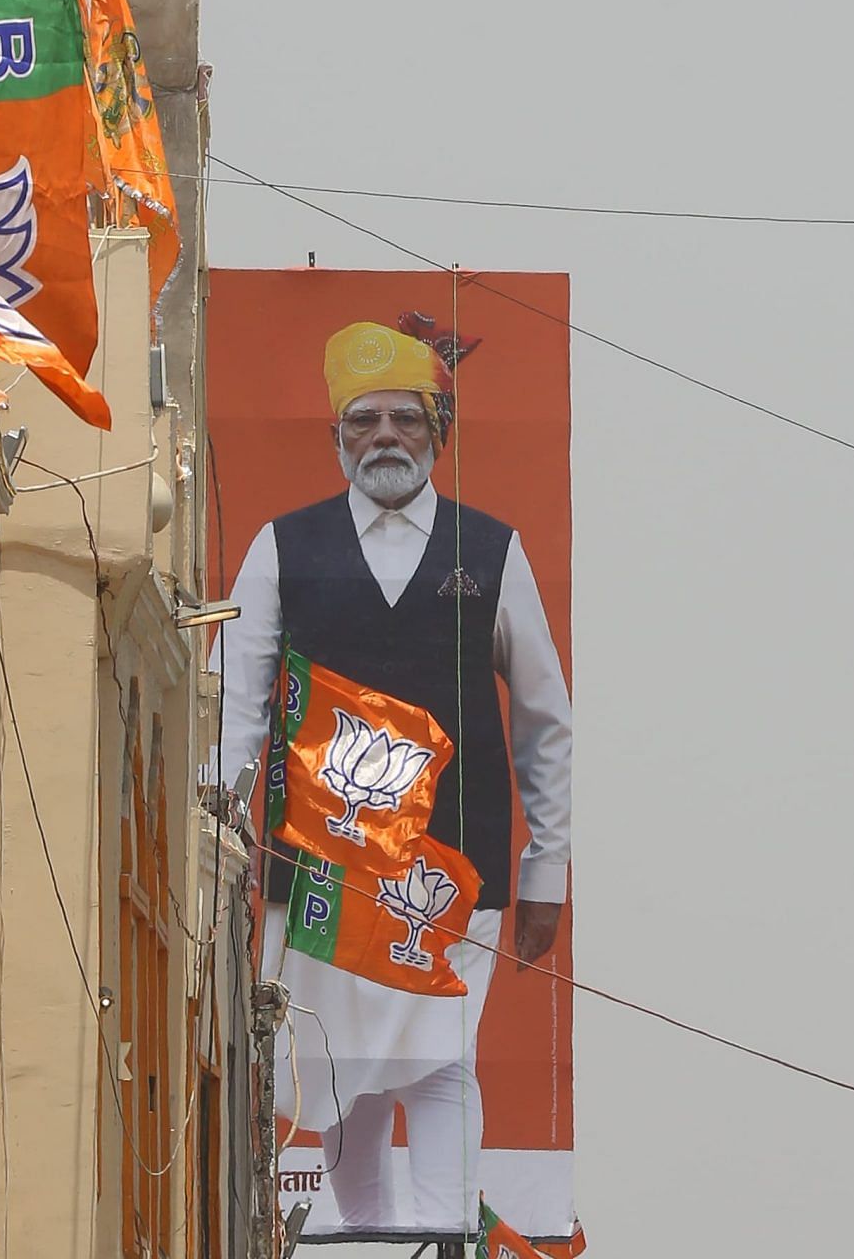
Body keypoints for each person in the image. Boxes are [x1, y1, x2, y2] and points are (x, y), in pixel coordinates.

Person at [216, 318, 572, 1243]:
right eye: (363, 420)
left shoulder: (490, 552)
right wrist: (216, 832)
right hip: (314, 872)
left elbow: (543, 719)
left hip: (455, 870)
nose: (383, 437)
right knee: (340, 1077)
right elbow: (235, 709)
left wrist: (546, 875)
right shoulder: (281, 548)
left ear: (436, 433)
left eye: (404, 420)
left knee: (439, 1061)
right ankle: (377, 1243)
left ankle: (442, 1239)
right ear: (337, 437)